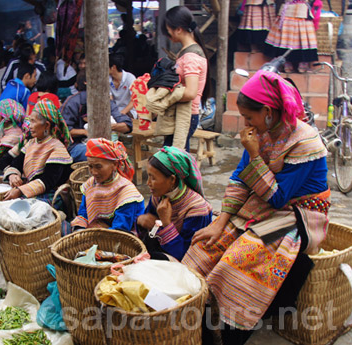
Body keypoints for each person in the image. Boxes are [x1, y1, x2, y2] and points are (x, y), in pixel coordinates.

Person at [182, 69, 329, 344]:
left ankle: (231, 333)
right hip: (262, 207)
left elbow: (278, 198)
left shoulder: (305, 141)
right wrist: (220, 222)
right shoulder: (262, 132)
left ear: (269, 111)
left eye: (250, 117)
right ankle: (201, 325)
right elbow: (240, 178)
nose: (246, 123)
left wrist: (253, 153)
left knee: (236, 261)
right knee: (203, 248)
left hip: (298, 215)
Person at [137, 147, 212, 261]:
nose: (148, 183)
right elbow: (149, 233)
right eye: (148, 176)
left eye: (153, 178)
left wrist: (166, 223)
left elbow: (186, 255)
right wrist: (142, 221)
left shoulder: (197, 209)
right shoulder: (159, 196)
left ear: (172, 180)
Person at [2, 100, 73, 203]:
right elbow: (16, 164)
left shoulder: (57, 148)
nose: (29, 126)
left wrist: (20, 190)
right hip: (31, 191)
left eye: (33, 121)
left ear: (47, 125)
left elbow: (48, 182)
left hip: (51, 196)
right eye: (29, 121)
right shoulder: (31, 143)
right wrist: (12, 175)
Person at [161, 6, 210, 151]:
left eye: (168, 30)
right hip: (182, 114)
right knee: (176, 159)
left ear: (178, 29)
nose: (168, 34)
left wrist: (165, 99)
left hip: (186, 115)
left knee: (173, 160)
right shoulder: (186, 51)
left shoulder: (191, 57)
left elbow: (190, 92)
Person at [71, 138, 144, 232]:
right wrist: (79, 229)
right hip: (97, 232)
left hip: (118, 238)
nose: (93, 172)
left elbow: (119, 229)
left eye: (98, 167)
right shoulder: (90, 185)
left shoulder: (126, 193)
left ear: (114, 164)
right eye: (90, 166)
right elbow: (83, 213)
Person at [61, 72, 133, 163]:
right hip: (76, 145)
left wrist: (108, 126)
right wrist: (86, 132)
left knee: (119, 153)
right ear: (86, 83)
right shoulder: (73, 102)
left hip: (104, 144)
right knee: (100, 154)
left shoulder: (108, 102)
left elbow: (127, 126)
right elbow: (63, 130)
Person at [264, 0, 320, 73]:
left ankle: (291, 64)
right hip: (292, 12)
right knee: (297, 38)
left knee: (288, 38)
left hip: (300, 12)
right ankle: (290, 63)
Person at [109, 53, 136, 119]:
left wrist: (122, 113)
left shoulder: (130, 78)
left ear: (113, 67)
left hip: (128, 111)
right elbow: (110, 99)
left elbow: (134, 100)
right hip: (114, 112)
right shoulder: (107, 79)